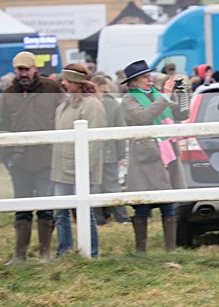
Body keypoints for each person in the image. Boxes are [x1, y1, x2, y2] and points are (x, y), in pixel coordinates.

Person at [0, 51, 65, 264]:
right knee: (22, 209)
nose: (23, 73)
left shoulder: (52, 89)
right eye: (20, 69)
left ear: (34, 68)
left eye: (27, 69)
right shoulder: (8, 94)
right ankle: (20, 255)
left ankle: (45, 253)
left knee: (46, 208)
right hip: (20, 160)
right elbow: (3, 127)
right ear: (15, 70)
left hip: (46, 158)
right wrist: (10, 155)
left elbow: (63, 118)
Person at [120, 60, 190, 253]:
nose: (149, 80)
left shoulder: (157, 96)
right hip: (145, 157)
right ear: (133, 82)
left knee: (168, 204)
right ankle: (140, 250)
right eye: (144, 77)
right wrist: (165, 97)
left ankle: (171, 249)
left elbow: (183, 114)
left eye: (150, 76)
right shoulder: (129, 100)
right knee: (143, 204)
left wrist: (182, 94)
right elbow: (143, 117)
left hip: (166, 155)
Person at [51, 65, 106, 258]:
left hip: (79, 169)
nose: (63, 83)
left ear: (76, 82)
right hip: (62, 168)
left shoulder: (92, 105)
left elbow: (95, 143)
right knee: (61, 213)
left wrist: (84, 170)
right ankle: (64, 252)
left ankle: (90, 252)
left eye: (66, 80)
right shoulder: (64, 105)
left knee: (84, 213)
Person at [91, 75, 131, 225]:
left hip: (93, 153)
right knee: (112, 186)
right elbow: (119, 130)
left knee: (94, 187)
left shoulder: (89, 102)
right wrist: (121, 153)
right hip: (110, 152)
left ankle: (98, 218)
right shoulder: (113, 104)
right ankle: (122, 218)